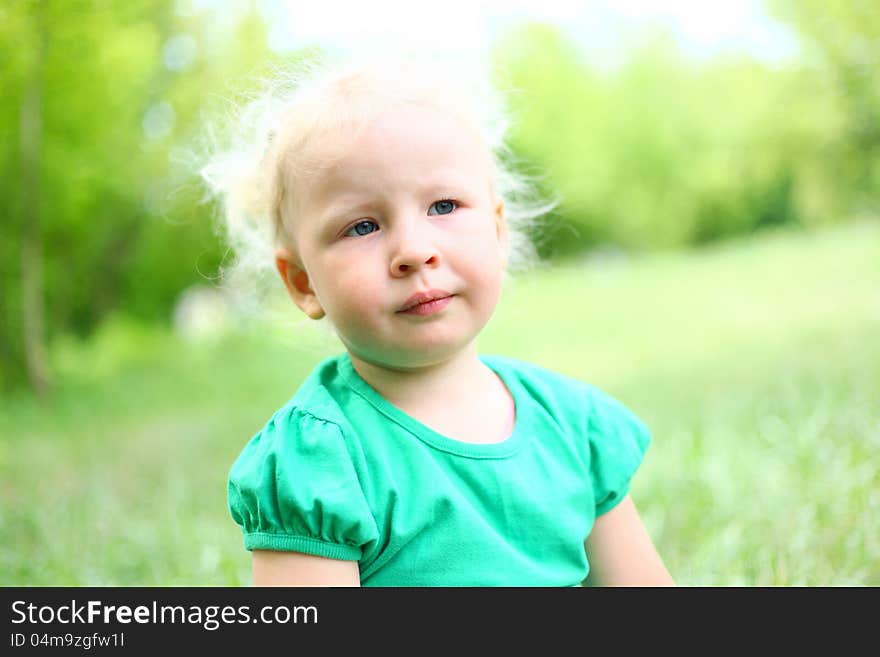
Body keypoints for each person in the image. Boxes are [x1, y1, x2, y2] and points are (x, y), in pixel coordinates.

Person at [203, 53, 673, 587]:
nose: (413, 251)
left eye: (444, 206)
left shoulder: (572, 426)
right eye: (362, 227)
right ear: (303, 282)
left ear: (497, 232)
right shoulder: (321, 460)